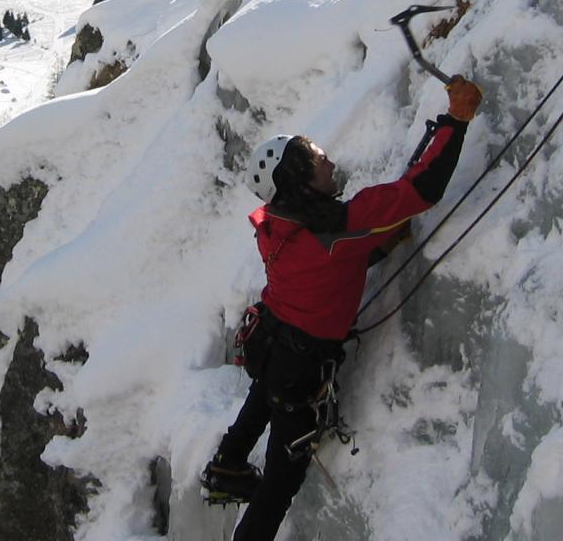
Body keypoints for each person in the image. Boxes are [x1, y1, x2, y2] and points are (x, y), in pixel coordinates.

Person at [202, 76, 483, 540]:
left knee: (264, 394)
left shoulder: (279, 225)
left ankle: (228, 465)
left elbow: (327, 266)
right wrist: (457, 120)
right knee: (279, 484)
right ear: (300, 182)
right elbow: (422, 189)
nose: (328, 160)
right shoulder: (337, 228)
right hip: (299, 367)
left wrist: (375, 249)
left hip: (273, 341)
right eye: (316, 159)